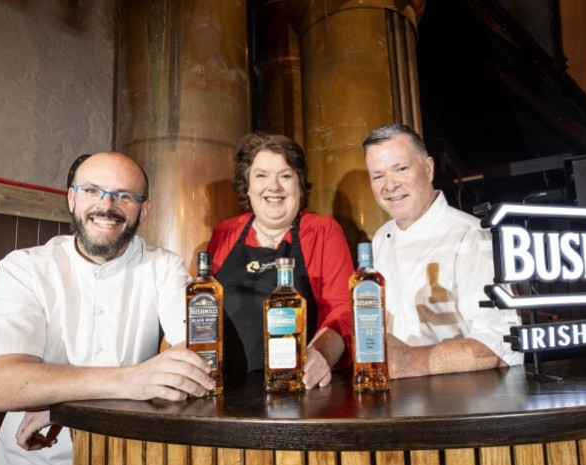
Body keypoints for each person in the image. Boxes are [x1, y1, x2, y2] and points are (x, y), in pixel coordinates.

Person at [0, 152, 215, 465]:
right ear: (72, 198)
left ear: (145, 210)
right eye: (92, 190)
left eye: (125, 196)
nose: (107, 206)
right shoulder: (23, 267)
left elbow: (199, 362)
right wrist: (127, 382)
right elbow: (1, 386)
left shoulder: (164, 267)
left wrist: (63, 403)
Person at [362, 123, 523, 379]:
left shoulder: (470, 236)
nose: (389, 185)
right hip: (397, 401)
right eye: (378, 176)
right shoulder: (381, 238)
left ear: (428, 169)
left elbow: (501, 345)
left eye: (401, 169)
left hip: (460, 402)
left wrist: (412, 361)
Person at [207, 133, 353, 387]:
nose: (273, 186)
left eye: (285, 176)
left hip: (299, 385)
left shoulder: (322, 231)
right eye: (261, 175)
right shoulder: (225, 233)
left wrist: (321, 356)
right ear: (247, 185)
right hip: (228, 388)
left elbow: (342, 310)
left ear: (299, 184)